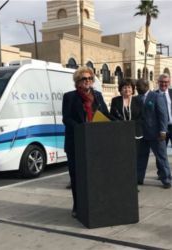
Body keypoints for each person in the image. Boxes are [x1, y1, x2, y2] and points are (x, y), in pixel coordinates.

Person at [62, 66, 110, 218]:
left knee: (95, 176)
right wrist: (81, 128)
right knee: (77, 177)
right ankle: (77, 206)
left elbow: (105, 114)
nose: (88, 81)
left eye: (90, 78)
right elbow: (66, 118)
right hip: (76, 143)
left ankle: (95, 204)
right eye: (84, 79)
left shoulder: (98, 96)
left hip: (94, 143)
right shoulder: (69, 97)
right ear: (78, 81)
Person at [136, 78, 171, 189]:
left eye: (138, 86)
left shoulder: (156, 97)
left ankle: (166, 180)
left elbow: (163, 115)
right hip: (142, 134)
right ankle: (139, 178)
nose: (136, 88)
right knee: (141, 157)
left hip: (156, 134)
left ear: (146, 86)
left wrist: (163, 131)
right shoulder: (136, 98)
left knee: (161, 157)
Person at [156, 73, 172, 146]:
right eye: (161, 82)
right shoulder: (153, 95)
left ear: (169, 82)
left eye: (166, 82)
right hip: (161, 128)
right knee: (161, 153)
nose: (163, 84)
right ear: (158, 82)